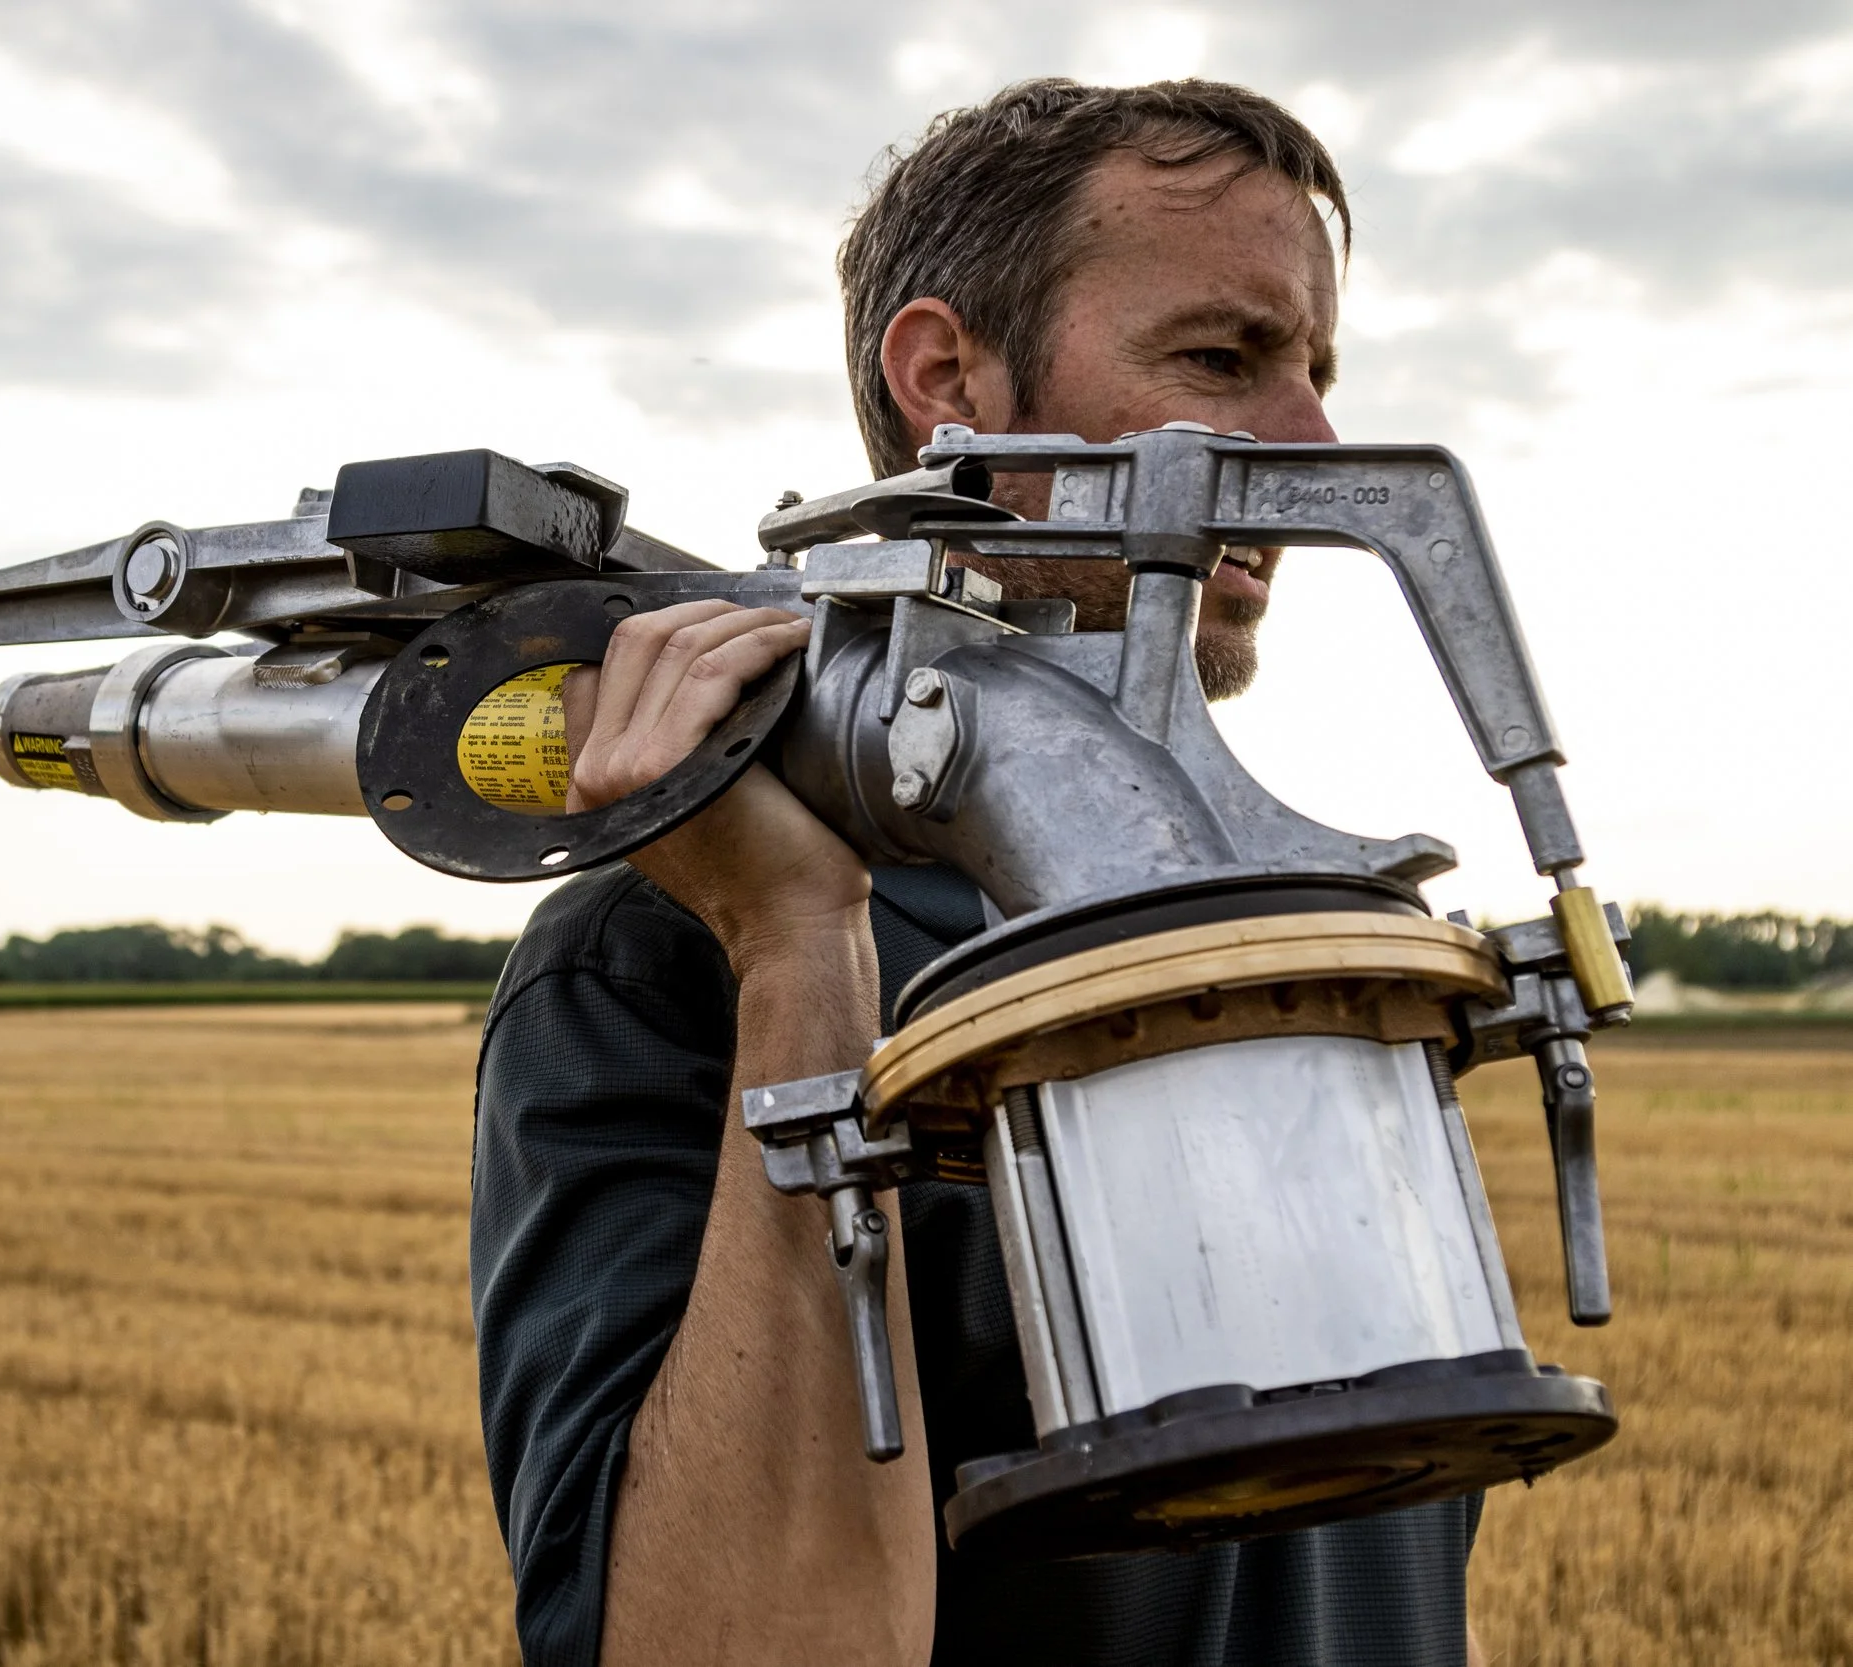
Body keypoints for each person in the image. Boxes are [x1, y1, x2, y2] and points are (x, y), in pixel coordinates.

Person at [472, 78, 1492, 1667]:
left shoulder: (1326, 935)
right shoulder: (659, 959)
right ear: (949, 380)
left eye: (1314, 370)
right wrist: (797, 949)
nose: (1311, 440)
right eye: (1223, 357)